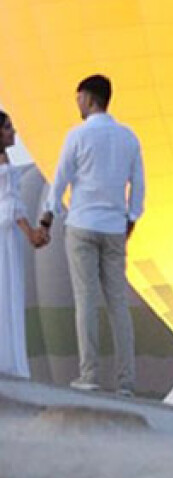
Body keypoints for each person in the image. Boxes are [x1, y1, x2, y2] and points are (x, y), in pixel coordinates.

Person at [39, 75, 145, 395]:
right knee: (118, 305)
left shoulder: (77, 136)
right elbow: (138, 186)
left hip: (83, 225)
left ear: (87, 98)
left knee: (86, 301)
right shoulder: (128, 137)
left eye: (78, 99)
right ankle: (126, 382)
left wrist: (47, 217)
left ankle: (89, 375)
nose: (77, 104)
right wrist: (130, 220)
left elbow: (59, 180)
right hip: (115, 228)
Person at [1, 111, 49, 379]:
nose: (14, 132)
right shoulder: (3, 162)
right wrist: (30, 232)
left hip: (6, 229)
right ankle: (9, 359)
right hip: (6, 231)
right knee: (7, 288)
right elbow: (11, 204)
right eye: (8, 128)